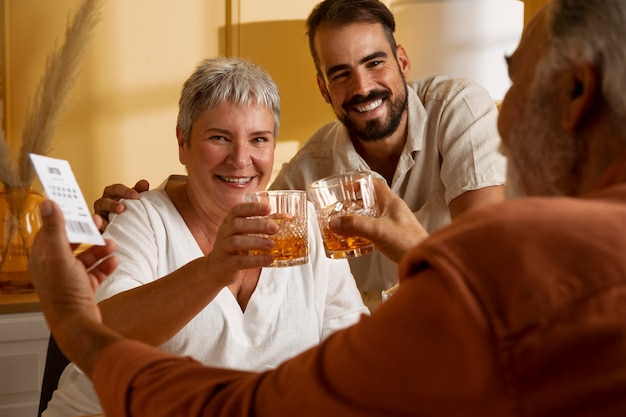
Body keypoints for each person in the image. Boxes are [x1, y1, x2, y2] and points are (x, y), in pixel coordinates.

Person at [30, 0, 626, 415]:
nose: (502, 114)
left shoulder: (465, 132)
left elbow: (480, 287)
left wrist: (78, 328)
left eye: (513, 81)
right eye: (218, 137)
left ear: (577, 94)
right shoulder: (305, 181)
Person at [93, 0, 507, 311]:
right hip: (378, 349)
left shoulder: (459, 108)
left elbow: (487, 259)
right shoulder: (310, 169)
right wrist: (149, 204)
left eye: (375, 63)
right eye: (341, 73)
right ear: (323, 89)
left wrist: (414, 249)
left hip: (466, 322)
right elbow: (241, 199)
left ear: (402, 61)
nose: (362, 87)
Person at [41, 57, 368, 417]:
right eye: (219, 138)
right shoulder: (140, 217)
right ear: (183, 143)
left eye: (259, 139)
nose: (241, 159)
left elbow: (354, 356)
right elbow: (103, 335)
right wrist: (213, 270)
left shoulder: (303, 223)